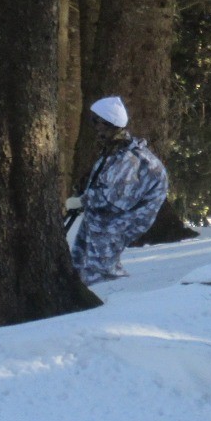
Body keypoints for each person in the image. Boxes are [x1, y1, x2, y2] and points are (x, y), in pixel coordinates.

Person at [67, 96, 169, 285]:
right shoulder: (115, 150)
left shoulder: (128, 158)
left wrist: (82, 201)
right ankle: (80, 280)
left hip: (129, 215)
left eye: (96, 121)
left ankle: (110, 284)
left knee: (99, 232)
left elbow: (113, 201)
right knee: (83, 244)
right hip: (118, 211)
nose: (94, 127)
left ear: (108, 123)